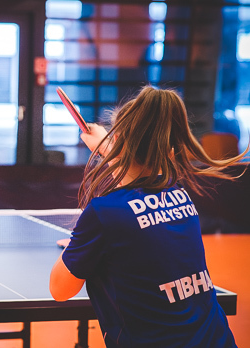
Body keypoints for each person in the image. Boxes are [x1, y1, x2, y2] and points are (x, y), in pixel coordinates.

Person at [49, 85, 246, 347]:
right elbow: (138, 189)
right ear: (169, 149)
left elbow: (60, 290)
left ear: (118, 141)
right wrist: (111, 149)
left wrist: (86, 246)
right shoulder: (178, 196)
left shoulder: (104, 213)